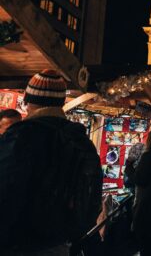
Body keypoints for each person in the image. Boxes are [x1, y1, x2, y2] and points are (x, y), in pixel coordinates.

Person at [0, 69, 102, 255]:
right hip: (60, 243)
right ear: (61, 102)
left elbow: (6, 187)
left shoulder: (21, 136)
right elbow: (93, 196)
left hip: (18, 242)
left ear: (28, 101)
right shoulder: (80, 140)